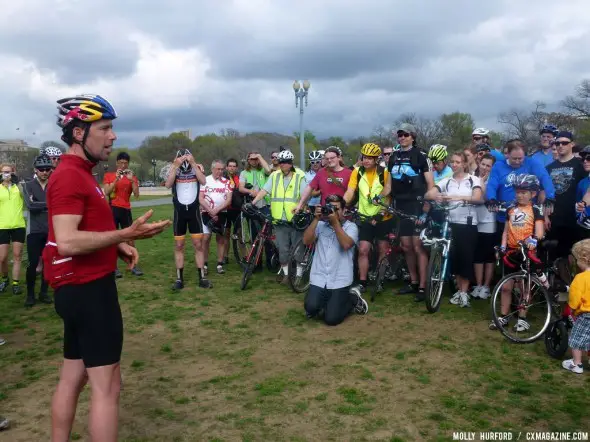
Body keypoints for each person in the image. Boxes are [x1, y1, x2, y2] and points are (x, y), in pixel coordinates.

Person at [48, 94, 170, 442]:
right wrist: (125, 232)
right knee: (108, 385)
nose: (113, 137)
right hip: (88, 291)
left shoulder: (83, 173)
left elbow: (82, 229)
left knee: (73, 377)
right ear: (77, 134)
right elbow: (68, 240)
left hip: (79, 289)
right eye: (104, 128)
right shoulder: (70, 176)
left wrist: (117, 244)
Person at [425, 152, 482, 307]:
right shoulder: (447, 181)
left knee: (466, 258)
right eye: (452, 162)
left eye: (458, 162)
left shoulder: (473, 179)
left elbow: (478, 198)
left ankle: (464, 293)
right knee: (455, 259)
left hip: (468, 224)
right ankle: (459, 291)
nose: (454, 164)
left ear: (464, 164)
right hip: (451, 223)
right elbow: (429, 193)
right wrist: (434, 196)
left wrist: (458, 198)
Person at [490, 174, 545, 332]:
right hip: (511, 252)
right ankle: (504, 316)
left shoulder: (535, 209)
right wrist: (502, 247)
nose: (520, 195)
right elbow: (506, 231)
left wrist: (534, 239)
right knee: (506, 287)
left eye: (524, 192)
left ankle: (522, 318)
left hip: (527, 252)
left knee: (524, 287)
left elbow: (540, 231)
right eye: (518, 192)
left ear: (533, 194)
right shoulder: (511, 209)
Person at [303, 195, 368, 325]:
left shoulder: (351, 227)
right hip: (319, 277)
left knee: (331, 319)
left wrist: (335, 224)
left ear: (344, 210)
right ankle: (327, 302)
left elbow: (346, 245)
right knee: (310, 308)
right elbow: (306, 241)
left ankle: (351, 298)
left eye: (336, 208)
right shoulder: (320, 225)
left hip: (340, 279)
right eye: (329, 208)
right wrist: (316, 219)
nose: (332, 211)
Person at [387, 123, 433, 300]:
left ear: (412, 136)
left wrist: (426, 208)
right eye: (400, 135)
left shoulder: (421, 156)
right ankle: (413, 281)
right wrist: (377, 197)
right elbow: (389, 185)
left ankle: (423, 286)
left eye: (406, 134)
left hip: (418, 205)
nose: (402, 138)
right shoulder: (394, 157)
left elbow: (430, 184)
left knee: (417, 246)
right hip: (401, 205)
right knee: (406, 246)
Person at [249, 150, 307, 284]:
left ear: (291, 163)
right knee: (283, 249)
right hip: (279, 218)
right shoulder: (274, 176)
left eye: (286, 162)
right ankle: (286, 274)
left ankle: (298, 275)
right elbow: (264, 191)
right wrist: (253, 203)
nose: (283, 165)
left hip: (295, 218)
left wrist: (300, 206)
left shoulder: (300, 176)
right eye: (281, 162)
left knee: (298, 249)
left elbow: (305, 195)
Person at [343, 143, 392, 291]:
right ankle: (363, 282)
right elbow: (350, 191)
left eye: (370, 158)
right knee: (363, 249)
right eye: (364, 157)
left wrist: (380, 213)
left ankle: (380, 280)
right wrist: (342, 204)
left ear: (376, 159)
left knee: (383, 249)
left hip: (383, 218)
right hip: (365, 217)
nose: (366, 160)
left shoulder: (385, 172)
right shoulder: (357, 172)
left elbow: (389, 196)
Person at [486, 139, 554, 237]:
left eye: (520, 158)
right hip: (506, 215)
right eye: (514, 158)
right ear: (507, 154)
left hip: (527, 216)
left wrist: (550, 197)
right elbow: (492, 185)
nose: (517, 161)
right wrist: (491, 199)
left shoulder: (531, 163)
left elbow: (545, 178)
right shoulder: (499, 166)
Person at [165, 148, 210, 290]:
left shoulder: (196, 168)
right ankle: (179, 279)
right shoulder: (174, 169)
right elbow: (168, 184)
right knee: (179, 246)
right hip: (179, 212)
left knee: (198, 244)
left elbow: (203, 181)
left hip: (194, 212)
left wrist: (194, 163)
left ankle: (202, 277)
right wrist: (175, 166)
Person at [546, 131, 586, 259]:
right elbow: (544, 193)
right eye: (557, 143)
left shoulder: (580, 166)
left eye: (564, 143)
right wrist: (545, 215)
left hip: (573, 219)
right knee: (553, 258)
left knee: (574, 257)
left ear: (572, 144)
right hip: (553, 219)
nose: (560, 146)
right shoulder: (549, 168)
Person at [102, 152, 142, 278]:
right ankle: (113, 267)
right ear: (117, 163)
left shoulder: (131, 177)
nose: (123, 165)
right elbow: (106, 192)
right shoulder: (109, 175)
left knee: (130, 237)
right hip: (113, 209)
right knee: (113, 238)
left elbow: (136, 195)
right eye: (121, 163)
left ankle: (133, 265)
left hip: (126, 209)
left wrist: (132, 181)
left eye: (126, 163)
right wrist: (116, 179)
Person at [22, 154, 53, 307]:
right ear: (36, 170)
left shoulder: (54, 184)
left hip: (51, 230)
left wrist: (40, 203)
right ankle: (30, 294)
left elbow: (59, 203)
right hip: (34, 231)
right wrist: (49, 204)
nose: (44, 172)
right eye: (41, 169)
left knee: (48, 263)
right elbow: (31, 206)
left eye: (47, 169)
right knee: (33, 263)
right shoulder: (28, 185)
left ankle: (43, 292)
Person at [239, 151, 273, 268]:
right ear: (248, 160)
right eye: (251, 159)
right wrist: (251, 191)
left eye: (255, 159)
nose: (254, 161)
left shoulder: (262, 170)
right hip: (253, 206)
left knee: (268, 235)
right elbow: (241, 188)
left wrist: (259, 156)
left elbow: (269, 170)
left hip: (265, 205)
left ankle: (270, 262)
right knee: (255, 236)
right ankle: (257, 264)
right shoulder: (244, 172)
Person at [561, 239, 590, 374]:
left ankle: (577, 364)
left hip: (586, 314)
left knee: (576, 338)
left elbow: (575, 298)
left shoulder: (580, 278)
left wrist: (572, 308)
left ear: (583, 259)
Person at [296, 146, 352, 211]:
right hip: (325, 215)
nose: (329, 160)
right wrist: (300, 205)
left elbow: (354, 193)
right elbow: (309, 188)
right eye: (327, 158)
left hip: (342, 215)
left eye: (332, 158)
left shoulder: (349, 173)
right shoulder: (321, 172)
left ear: (339, 157)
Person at [200, 160, 232, 275]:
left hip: (222, 213)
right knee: (206, 238)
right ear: (212, 169)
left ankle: (220, 264)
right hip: (206, 212)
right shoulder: (205, 180)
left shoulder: (227, 182)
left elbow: (228, 199)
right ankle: (204, 264)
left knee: (220, 238)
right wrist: (210, 210)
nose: (220, 171)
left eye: (222, 169)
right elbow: (201, 198)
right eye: (218, 169)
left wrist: (217, 210)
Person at [472, 153, 497, 299]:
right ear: (479, 163)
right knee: (477, 254)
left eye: (489, 166)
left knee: (488, 255)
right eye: (483, 164)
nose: (485, 168)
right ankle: (478, 284)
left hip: (489, 220)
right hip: (474, 219)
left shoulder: (492, 180)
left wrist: (483, 182)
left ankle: (487, 286)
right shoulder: (472, 177)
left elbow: (485, 198)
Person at [0, 163, 26, 295]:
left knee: (17, 256)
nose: (6, 174)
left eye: (9, 172)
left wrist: (20, 185)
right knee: (2, 258)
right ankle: (4, 279)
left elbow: (28, 199)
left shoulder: (19, 187)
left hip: (18, 225)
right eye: (4, 172)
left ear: (13, 173)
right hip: (2, 226)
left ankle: (16, 283)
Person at [223, 158, 241, 264]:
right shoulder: (223, 178)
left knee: (239, 233)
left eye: (234, 166)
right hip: (226, 210)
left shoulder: (239, 178)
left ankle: (243, 256)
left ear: (237, 168)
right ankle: (225, 256)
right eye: (230, 166)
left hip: (237, 210)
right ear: (226, 167)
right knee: (226, 234)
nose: (232, 168)